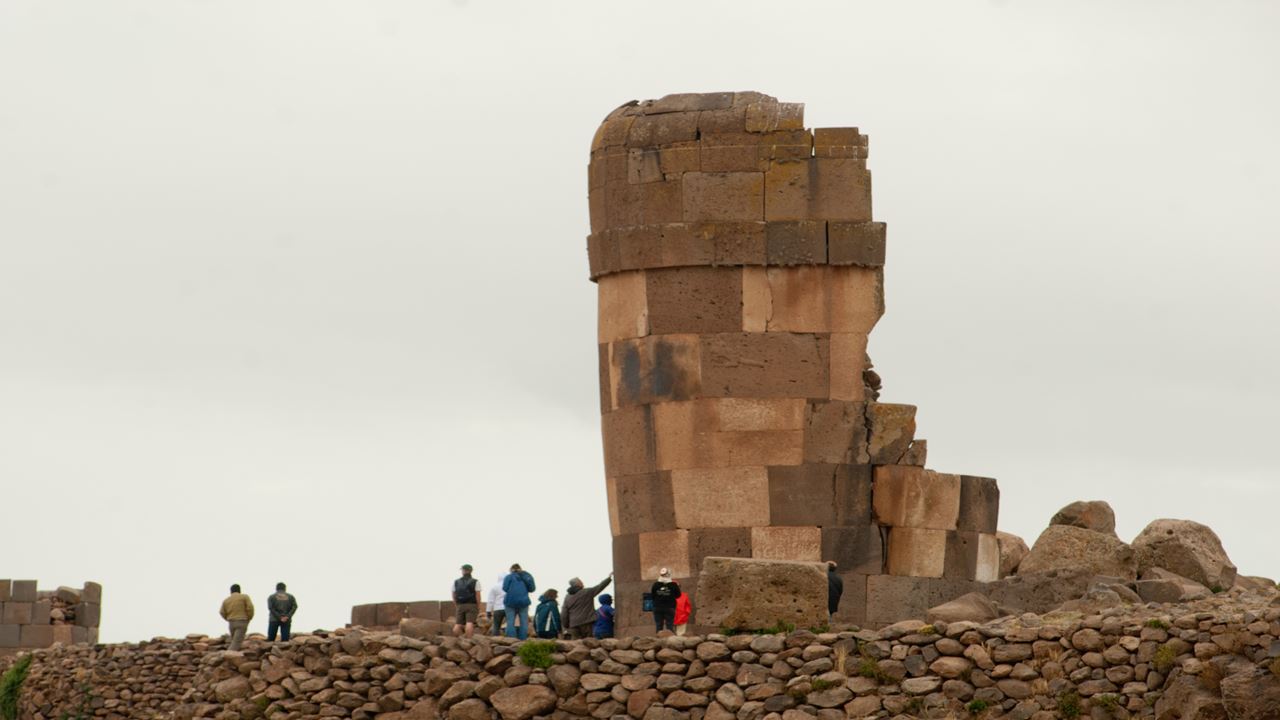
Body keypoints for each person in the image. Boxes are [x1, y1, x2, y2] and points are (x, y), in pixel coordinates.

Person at [561, 574, 612, 639]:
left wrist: (566, 625)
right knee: (589, 643)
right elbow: (600, 586)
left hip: (573, 625)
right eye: (581, 582)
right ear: (578, 584)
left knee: (576, 644)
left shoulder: (567, 597)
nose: (582, 583)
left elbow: (564, 613)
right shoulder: (587, 592)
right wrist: (609, 578)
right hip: (587, 623)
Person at [501, 563, 536, 640]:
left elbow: (505, 588)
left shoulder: (509, 577)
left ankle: (511, 639)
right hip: (524, 602)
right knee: (524, 621)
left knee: (510, 621)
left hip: (510, 602)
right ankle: (523, 639)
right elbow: (532, 589)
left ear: (511, 569)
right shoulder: (526, 576)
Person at [219, 584, 255, 651]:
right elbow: (250, 608)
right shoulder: (244, 597)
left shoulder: (226, 600)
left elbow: (221, 612)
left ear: (231, 591)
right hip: (242, 621)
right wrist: (249, 617)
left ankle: (234, 657)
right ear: (239, 590)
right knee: (237, 642)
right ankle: (228, 655)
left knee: (234, 640)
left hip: (231, 623)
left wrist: (227, 618)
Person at [452, 564, 482, 637]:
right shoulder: (475, 581)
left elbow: (453, 595)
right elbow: (478, 595)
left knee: (458, 624)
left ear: (463, 571)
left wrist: (457, 605)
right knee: (470, 622)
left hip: (460, 604)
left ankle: (456, 639)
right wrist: (478, 606)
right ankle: (468, 640)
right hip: (472, 604)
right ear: (471, 571)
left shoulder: (456, 582)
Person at [650, 568, 681, 633]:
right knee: (669, 625)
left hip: (657, 607)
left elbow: (652, 596)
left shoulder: (656, 585)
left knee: (658, 626)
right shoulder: (673, 585)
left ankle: (658, 640)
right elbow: (678, 595)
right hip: (670, 607)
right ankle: (670, 641)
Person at [488, 571, 508, 637]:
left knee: (496, 625)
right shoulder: (509, 586)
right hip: (508, 608)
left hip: (497, 609)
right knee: (510, 624)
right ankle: (509, 639)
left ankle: (495, 639)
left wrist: (488, 611)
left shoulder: (494, 587)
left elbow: (490, 601)